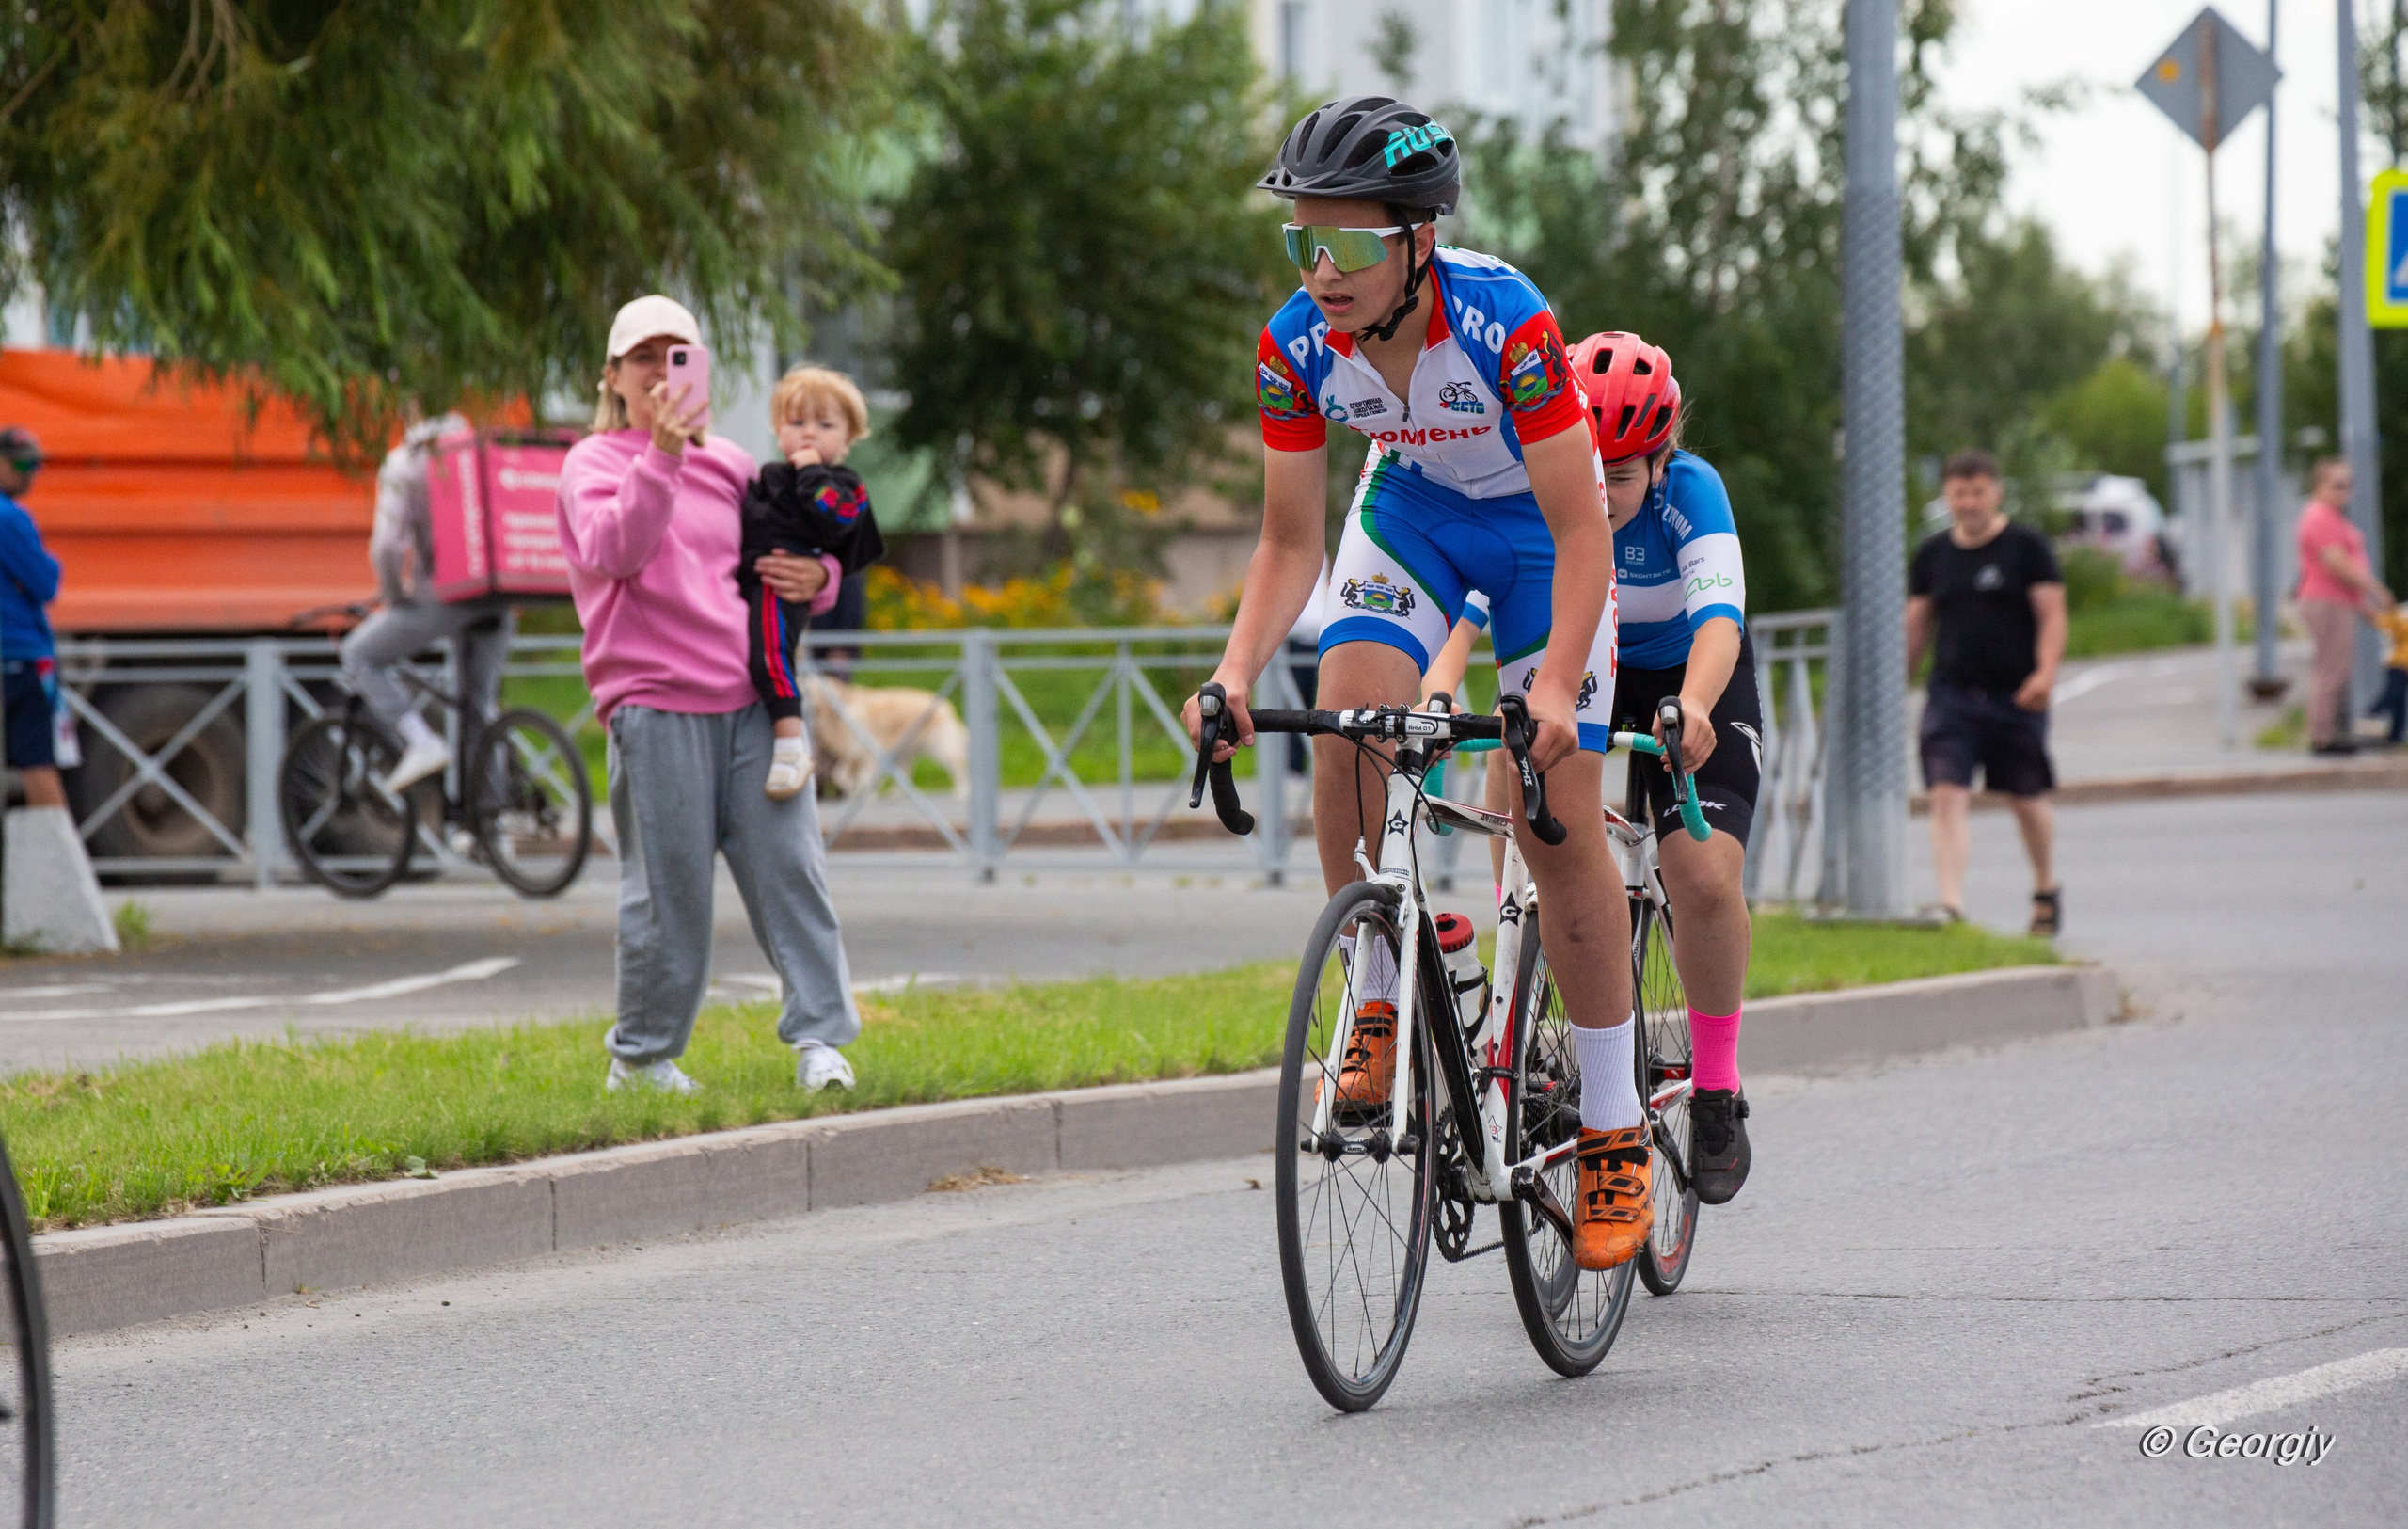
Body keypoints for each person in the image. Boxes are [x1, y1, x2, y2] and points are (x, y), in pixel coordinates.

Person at [1182, 98, 1650, 1271]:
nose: (1320, 270)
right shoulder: (1295, 344)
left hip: (1546, 534)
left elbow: (1583, 527)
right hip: (1413, 517)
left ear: (1418, 239)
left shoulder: (1506, 321)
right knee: (1343, 728)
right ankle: (1381, 986)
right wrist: (1235, 671)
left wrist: (1548, 688)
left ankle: (1611, 1119)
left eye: (1344, 242)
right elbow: (1288, 544)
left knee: (1550, 814)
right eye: (1301, 242)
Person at [1424, 331, 1759, 1204]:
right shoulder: (1535, 484)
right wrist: (1436, 685)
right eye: (1589, 466)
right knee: (1516, 741)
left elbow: (1719, 616)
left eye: (1621, 474)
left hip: (1689, 676)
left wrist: (1690, 706)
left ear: (1660, 458)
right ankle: (1519, 964)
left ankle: (1717, 1086)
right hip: (1583, 664)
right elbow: (1472, 608)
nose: (1601, 490)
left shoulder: (1693, 493)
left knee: (1703, 876)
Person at [556, 295, 861, 1095]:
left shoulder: (730, 463)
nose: (660, 370)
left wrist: (820, 577)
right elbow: (616, 550)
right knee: (669, 890)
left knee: (791, 868)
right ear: (613, 376)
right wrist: (658, 455)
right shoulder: (591, 464)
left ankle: (822, 1043)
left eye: (676, 354)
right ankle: (644, 1056)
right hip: (654, 703)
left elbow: (787, 561)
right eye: (643, 357)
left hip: (756, 700)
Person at [1906, 450, 2067, 934]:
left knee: (2025, 797)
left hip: (2015, 696)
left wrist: (2046, 673)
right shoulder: (1933, 555)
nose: (1968, 502)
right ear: (1947, 497)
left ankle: (2045, 884)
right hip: (1953, 695)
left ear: (1995, 493)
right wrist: (1900, 679)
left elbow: (2052, 614)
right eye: (1959, 493)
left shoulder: (2026, 548)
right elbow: (1917, 623)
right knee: (1947, 794)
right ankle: (1951, 904)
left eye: (1977, 492)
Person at [340, 411, 518, 792]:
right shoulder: (477, 450)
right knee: (480, 708)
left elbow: (388, 545)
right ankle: (491, 826)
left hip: (442, 597)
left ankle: (421, 743)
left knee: (359, 654)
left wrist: (393, 594)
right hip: (497, 596)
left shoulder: (404, 463)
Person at [740, 365, 884, 799]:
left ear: (847, 439)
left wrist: (810, 474)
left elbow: (837, 516)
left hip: (783, 586)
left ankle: (790, 743)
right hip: (755, 581)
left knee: (770, 656)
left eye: (824, 425)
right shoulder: (768, 476)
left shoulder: (841, 485)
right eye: (796, 422)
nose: (808, 434)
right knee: (765, 654)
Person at [2295, 458, 2395, 756]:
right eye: (2336, 485)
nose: (2344, 492)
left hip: (2337, 600)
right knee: (2331, 670)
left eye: (2348, 485)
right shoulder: (2319, 517)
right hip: (2326, 601)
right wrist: (2376, 590)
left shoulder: (2331, 517)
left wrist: (2364, 607)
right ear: (2319, 486)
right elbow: (2337, 564)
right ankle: (2323, 736)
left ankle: (2329, 731)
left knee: (2335, 669)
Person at [0, 426, 69, 810]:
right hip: (19, 654)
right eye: (22, 463)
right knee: (37, 762)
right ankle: (58, 864)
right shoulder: (10, 519)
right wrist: (52, 565)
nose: (29, 475)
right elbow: (45, 582)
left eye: (35, 466)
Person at [2368, 605, 2408, 746]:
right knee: (2394, 694)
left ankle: (2395, 735)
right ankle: (2372, 713)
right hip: (2399, 662)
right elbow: (2383, 624)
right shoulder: (2401, 613)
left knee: (2400, 701)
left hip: (2400, 661)